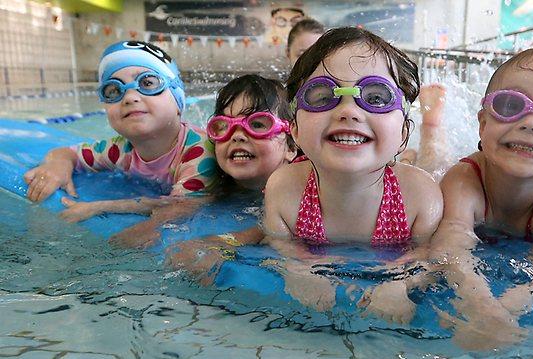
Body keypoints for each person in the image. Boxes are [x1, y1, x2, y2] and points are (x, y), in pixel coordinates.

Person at [408, 47, 533, 350]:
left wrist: (504, 311)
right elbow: (451, 247)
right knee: (431, 166)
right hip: (450, 177)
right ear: (484, 124)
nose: (530, 123)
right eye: (511, 104)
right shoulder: (464, 179)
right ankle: (431, 127)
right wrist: (478, 305)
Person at [262, 27, 444, 314]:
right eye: (322, 96)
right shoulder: (283, 189)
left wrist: (400, 282)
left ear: (403, 133)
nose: (348, 111)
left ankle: (431, 129)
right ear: (294, 129)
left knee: (423, 161)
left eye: (376, 98)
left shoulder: (420, 195)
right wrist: (299, 269)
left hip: (401, 170)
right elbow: (279, 244)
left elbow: (428, 255)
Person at [24, 41, 218, 219]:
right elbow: (67, 153)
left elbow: (183, 205)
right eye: (114, 91)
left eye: (148, 83)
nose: (130, 97)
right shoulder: (119, 150)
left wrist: (99, 207)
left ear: (178, 102)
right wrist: (57, 166)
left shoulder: (200, 151)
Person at [160, 74, 297, 281]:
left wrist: (222, 242)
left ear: (292, 145)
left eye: (258, 125)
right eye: (223, 126)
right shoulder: (213, 178)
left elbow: (278, 226)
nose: (237, 135)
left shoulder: (301, 183)